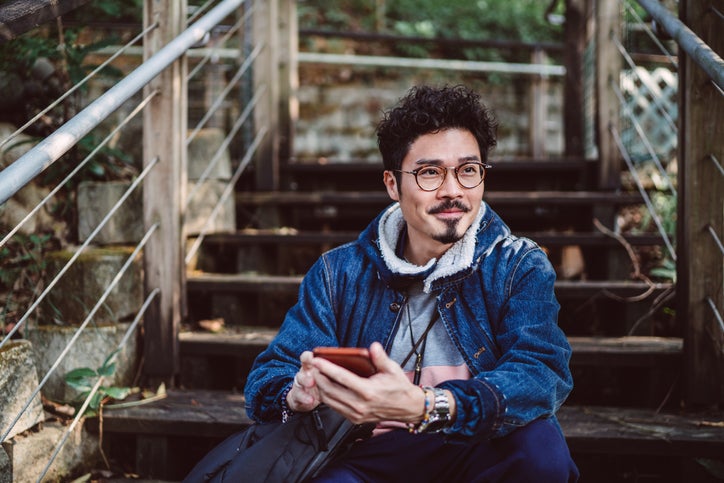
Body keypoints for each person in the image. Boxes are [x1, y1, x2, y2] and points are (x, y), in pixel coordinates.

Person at [244, 84, 579, 482]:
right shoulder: (338, 272)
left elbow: (541, 371)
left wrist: (427, 405)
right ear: (392, 184)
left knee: (540, 449)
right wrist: (295, 396)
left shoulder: (517, 264)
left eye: (468, 171)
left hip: (473, 442)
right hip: (367, 454)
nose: (453, 190)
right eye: (430, 173)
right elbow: (268, 377)